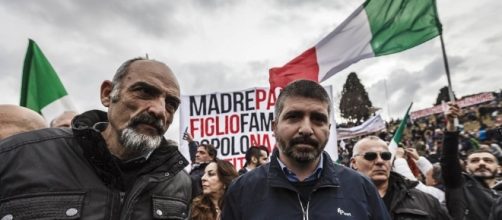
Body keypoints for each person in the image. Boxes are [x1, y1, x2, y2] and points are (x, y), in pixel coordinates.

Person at [0, 57, 192, 219]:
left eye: (171, 104)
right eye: (144, 91)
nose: (159, 110)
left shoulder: (179, 183)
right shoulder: (17, 156)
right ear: (108, 94)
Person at [222, 80, 390, 220]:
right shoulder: (242, 191)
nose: (306, 129)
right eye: (294, 116)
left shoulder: (361, 188)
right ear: (274, 126)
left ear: (329, 128)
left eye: (318, 119)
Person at [351, 136, 450, 219]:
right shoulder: (339, 202)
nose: (380, 161)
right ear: (354, 163)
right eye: (370, 156)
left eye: (385, 156)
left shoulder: (427, 202)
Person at [441, 103, 502, 220]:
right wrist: (451, 124)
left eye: (488, 160)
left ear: (499, 168)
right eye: (474, 161)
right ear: (467, 168)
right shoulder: (459, 187)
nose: (481, 163)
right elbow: (449, 159)